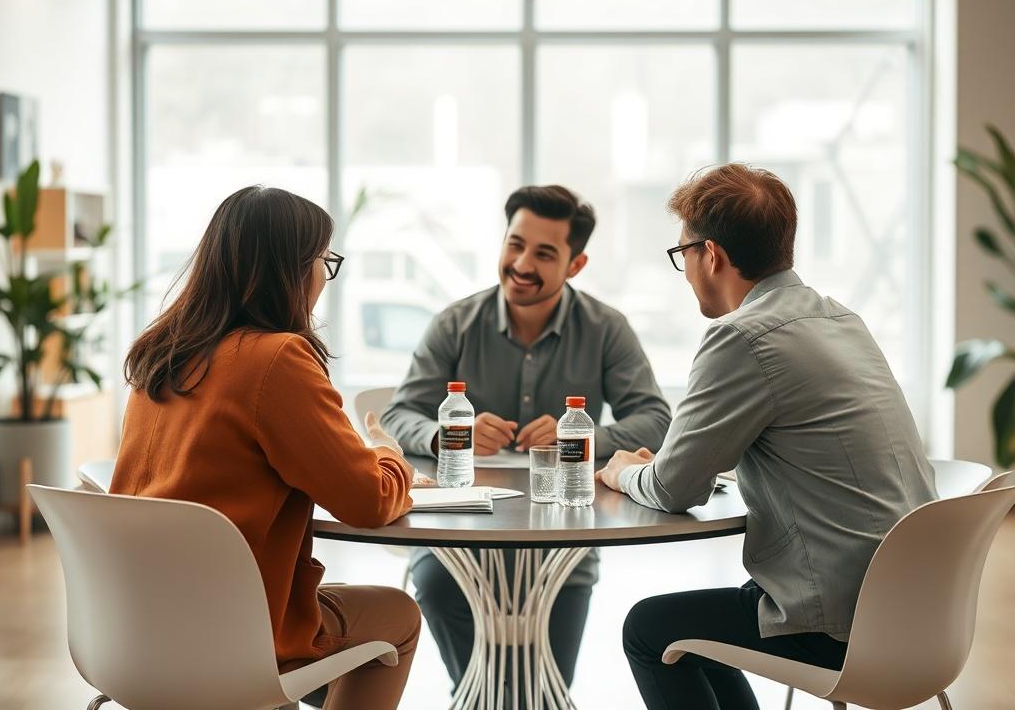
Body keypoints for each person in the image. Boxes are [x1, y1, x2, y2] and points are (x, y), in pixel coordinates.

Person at [597, 163, 938, 710]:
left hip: (843, 624)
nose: (684, 270)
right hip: (923, 611)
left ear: (710, 255)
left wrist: (621, 471)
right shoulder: (840, 319)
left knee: (650, 630)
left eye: (681, 254)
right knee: (693, 634)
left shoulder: (741, 338)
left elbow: (673, 490)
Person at [111, 186, 421, 710]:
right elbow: (367, 500)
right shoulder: (276, 359)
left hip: (134, 627)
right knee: (398, 616)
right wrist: (390, 455)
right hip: (231, 634)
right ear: (292, 269)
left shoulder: (161, 353)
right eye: (325, 260)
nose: (325, 275)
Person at [381, 184, 672, 698]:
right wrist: (454, 435)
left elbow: (655, 418)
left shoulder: (607, 329)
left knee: (545, 692)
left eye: (544, 253)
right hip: (457, 539)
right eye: (514, 244)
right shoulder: (454, 323)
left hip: (563, 542)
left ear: (575, 264)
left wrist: (579, 439)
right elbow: (400, 414)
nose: (521, 263)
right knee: (436, 587)